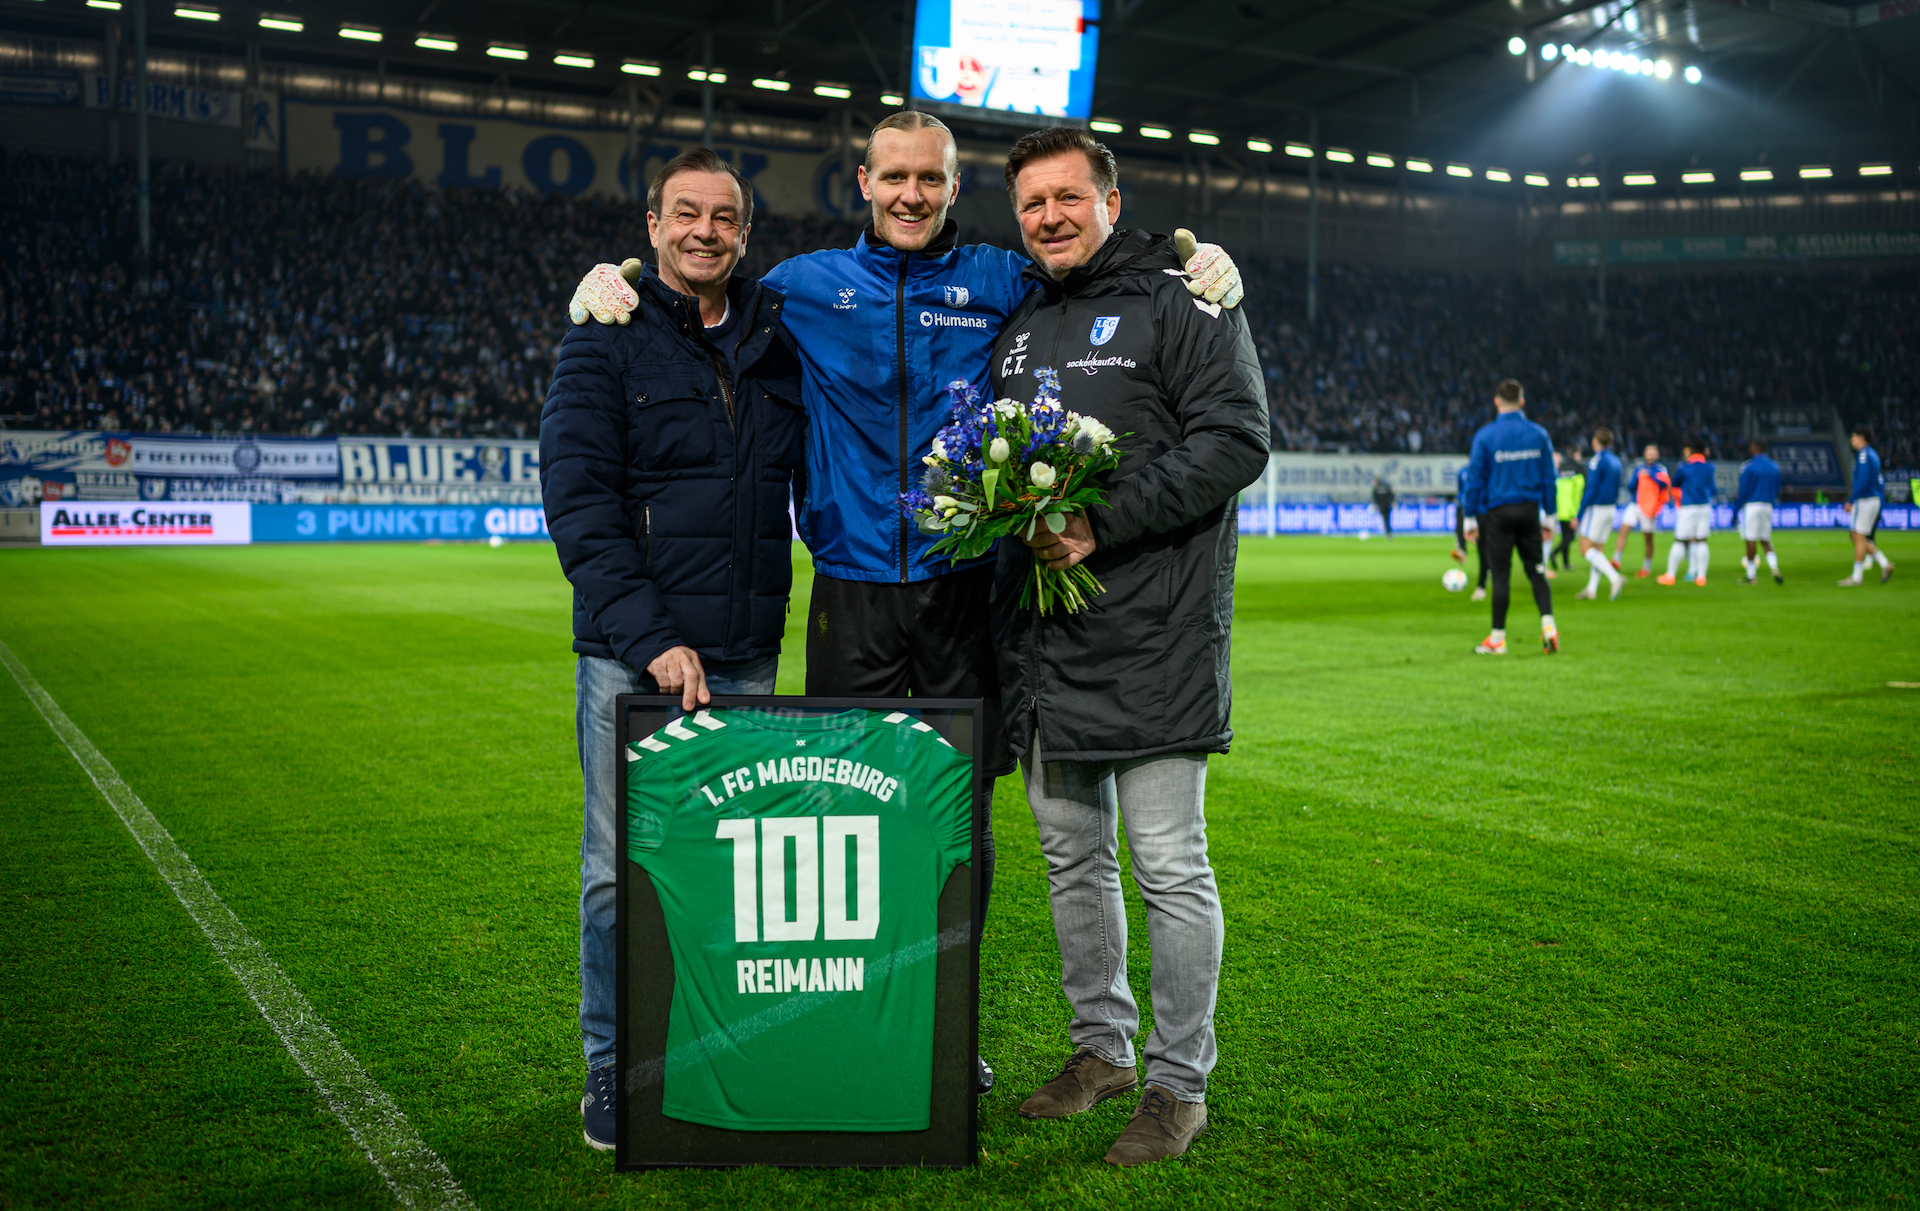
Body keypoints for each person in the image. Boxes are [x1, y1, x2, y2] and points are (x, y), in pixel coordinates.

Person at [562, 112, 1248, 1098]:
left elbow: (1100, 272)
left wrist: (1200, 264)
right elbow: (693, 293)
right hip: (852, 596)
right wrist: (612, 277)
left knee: (956, 828)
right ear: (864, 181)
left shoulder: (1004, 283)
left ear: (953, 186)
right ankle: (866, 1028)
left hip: (971, 593)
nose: (911, 195)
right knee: (851, 823)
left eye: (930, 179)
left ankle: (947, 1036)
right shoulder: (799, 291)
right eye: (894, 177)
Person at [986, 126, 1267, 1168]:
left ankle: (1176, 1082)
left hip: (1155, 632)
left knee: (1167, 863)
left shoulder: (1184, 295)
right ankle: (1098, 1049)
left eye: (1067, 196)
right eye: (1031, 204)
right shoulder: (1016, 321)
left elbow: (1236, 436)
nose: (1049, 216)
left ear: (1111, 196)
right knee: (1069, 858)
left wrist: (1103, 521)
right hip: (1047, 643)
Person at [539, 149, 804, 1151]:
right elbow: (579, 506)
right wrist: (652, 639)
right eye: (685, 213)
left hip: (744, 655)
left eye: (723, 216)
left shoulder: (777, 343)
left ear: (745, 231)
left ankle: (710, 1045)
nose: (704, 230)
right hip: (631, 656)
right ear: (650, 226)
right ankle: (611, 1061)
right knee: (618, 870)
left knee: (731, 868)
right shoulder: (602, 338)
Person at [1460, 380, 1558, 655]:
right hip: (1529, 510)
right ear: (1522, 401)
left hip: (1498, 514)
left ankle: (1497, 639)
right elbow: (1549, 478)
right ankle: (1549, 626)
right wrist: (1550, 516)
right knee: (1537, 571)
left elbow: (1474, 480)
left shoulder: (1486, 436)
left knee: (1500, 575)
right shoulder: (1538, 434)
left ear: (1496, 402)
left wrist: (1468, 517)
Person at [1573, 428, 1626, 601]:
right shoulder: (1616, 461)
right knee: (1597, 550)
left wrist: (1579, 515)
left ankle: (1615, 578)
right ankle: (1591, 589)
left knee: (1585, 549)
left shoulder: (1597, 460)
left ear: (1595, 441)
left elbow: (1591, 489)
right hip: (1611, 508)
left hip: (1597, 508)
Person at [1657, 437, 1716, 587]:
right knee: (1702, 540)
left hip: (1688, 507)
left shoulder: (1684, 467)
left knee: (1680, 540)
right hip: (1705, 506)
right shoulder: (1710, 468)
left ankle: (1670, 576)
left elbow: (1675, 484)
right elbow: (1713, 489)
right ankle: (1701, 577)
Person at [1839, 425, 1894, 586]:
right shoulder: (1873, 454)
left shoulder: (1863, 456)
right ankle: (1885, 564)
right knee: (1857, 537)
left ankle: (1857, 577)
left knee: (1858, 537)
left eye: (1853, 436)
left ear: (1861, 438)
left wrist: (1851, 500)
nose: (1851, 440)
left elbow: (1862, 482)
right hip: (1874, 500)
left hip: (1864, 500)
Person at [1612, 444, 1672, 577]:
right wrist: (1638, 477)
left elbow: (1664, 484)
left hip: (1650, 506)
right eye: (1648, 452)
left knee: (1648, 538)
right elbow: (1631, 486)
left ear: (1657, 455)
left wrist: (1650, 475)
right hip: (1635, 503)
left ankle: (1646, 567)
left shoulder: (1660, 469)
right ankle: (1616, 560)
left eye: (1653, 452)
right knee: (1623, 530)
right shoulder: (1639, 468)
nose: (1650, 454)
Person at [1733, 439, 1784, 585]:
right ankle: (1774, 567)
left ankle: (1751, 576)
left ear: (1755, 448)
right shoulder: (1775, 467)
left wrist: (1735, 511)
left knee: (1750, 539)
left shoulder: (1749, 466)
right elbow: (1777, 488)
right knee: (1765, 539)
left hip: (1752, 505)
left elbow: (1743, 491)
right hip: (1768, 505)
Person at [1454, 460, 1491, 602]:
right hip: (1470, 509)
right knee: (1459, 522)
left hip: (1483, 512)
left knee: (1484, 550)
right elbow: (1461, 490)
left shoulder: (1485, 471)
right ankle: (1461, 549)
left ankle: (1482, 583)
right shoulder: (1463, 471)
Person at [1552, 448, 1584, 574]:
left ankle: (1566, 564)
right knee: (1570, 537)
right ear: (1576, 455)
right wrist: (1575, 512)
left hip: (1561, 509)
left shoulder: (1561, 469)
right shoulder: (1579, 470)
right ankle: (1554, 553)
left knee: (1565, 535)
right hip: (1571, 509)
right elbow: (1578, 493)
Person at [1371, 475, 1396, 539]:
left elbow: (1374, 498)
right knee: (1387, 519)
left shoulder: (1376, 488)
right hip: (1388, 505)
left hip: (1382, 506)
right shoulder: (1386, 486)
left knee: (1385, 519)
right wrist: (1393, 502)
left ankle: (1388, 533)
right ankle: (1389, 532)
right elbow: (1392, 495)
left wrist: (1374, 506)